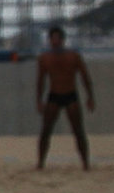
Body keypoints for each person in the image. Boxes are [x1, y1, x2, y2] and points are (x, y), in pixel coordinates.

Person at [35, 26, 95, 171]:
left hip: (70, 94)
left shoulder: (73, 56)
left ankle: (85, 163)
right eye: (52, 39)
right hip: (54, 95)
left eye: (57, 39)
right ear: (49, 40)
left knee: (78, 130)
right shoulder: (45, 58)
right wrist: (39, 100)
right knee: (46, 130)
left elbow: (85, 77)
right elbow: (41, 80)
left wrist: (90, 97)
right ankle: (41, 163)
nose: (55, 42)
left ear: (62, 40)